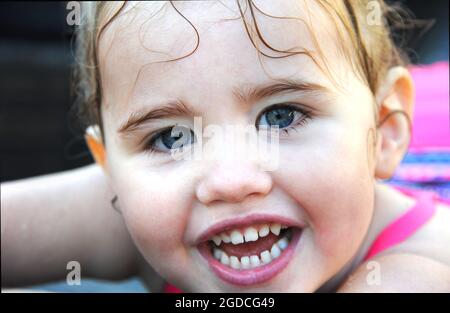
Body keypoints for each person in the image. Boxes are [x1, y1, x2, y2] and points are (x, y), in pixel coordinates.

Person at [2, 1, 450, 292]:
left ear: (385, 129)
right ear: (111, 171)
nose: (230, 182)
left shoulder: (414, 273)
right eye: (171, 137)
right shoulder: (147, 205)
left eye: (280, 116)